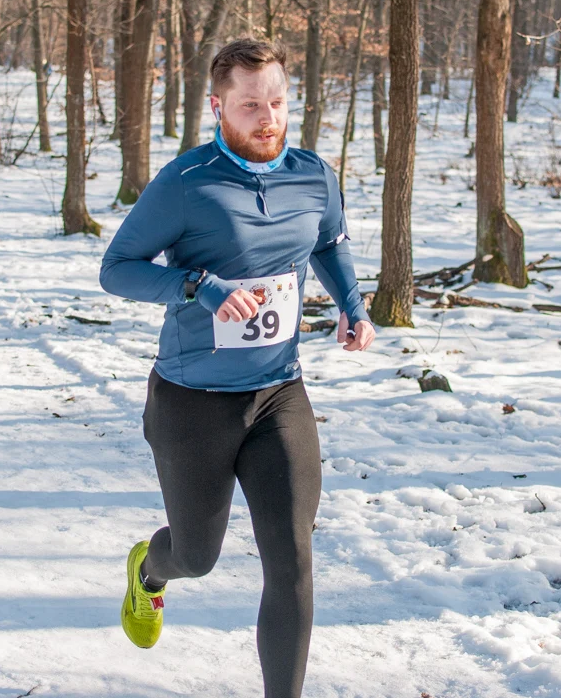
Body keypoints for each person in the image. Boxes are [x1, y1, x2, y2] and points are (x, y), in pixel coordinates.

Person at [99, 38, 376, 698]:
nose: (268, 117)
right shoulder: (186, 182)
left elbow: (329, 241)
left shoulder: (313, 175)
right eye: (251, 104)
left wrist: (352, 304)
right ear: (218, 105)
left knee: (293, 560)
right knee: (196, 555)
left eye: (278, 101)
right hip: (193, 400)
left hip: (279, 394)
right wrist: (198, 286)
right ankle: (150, 571)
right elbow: (117, 270)